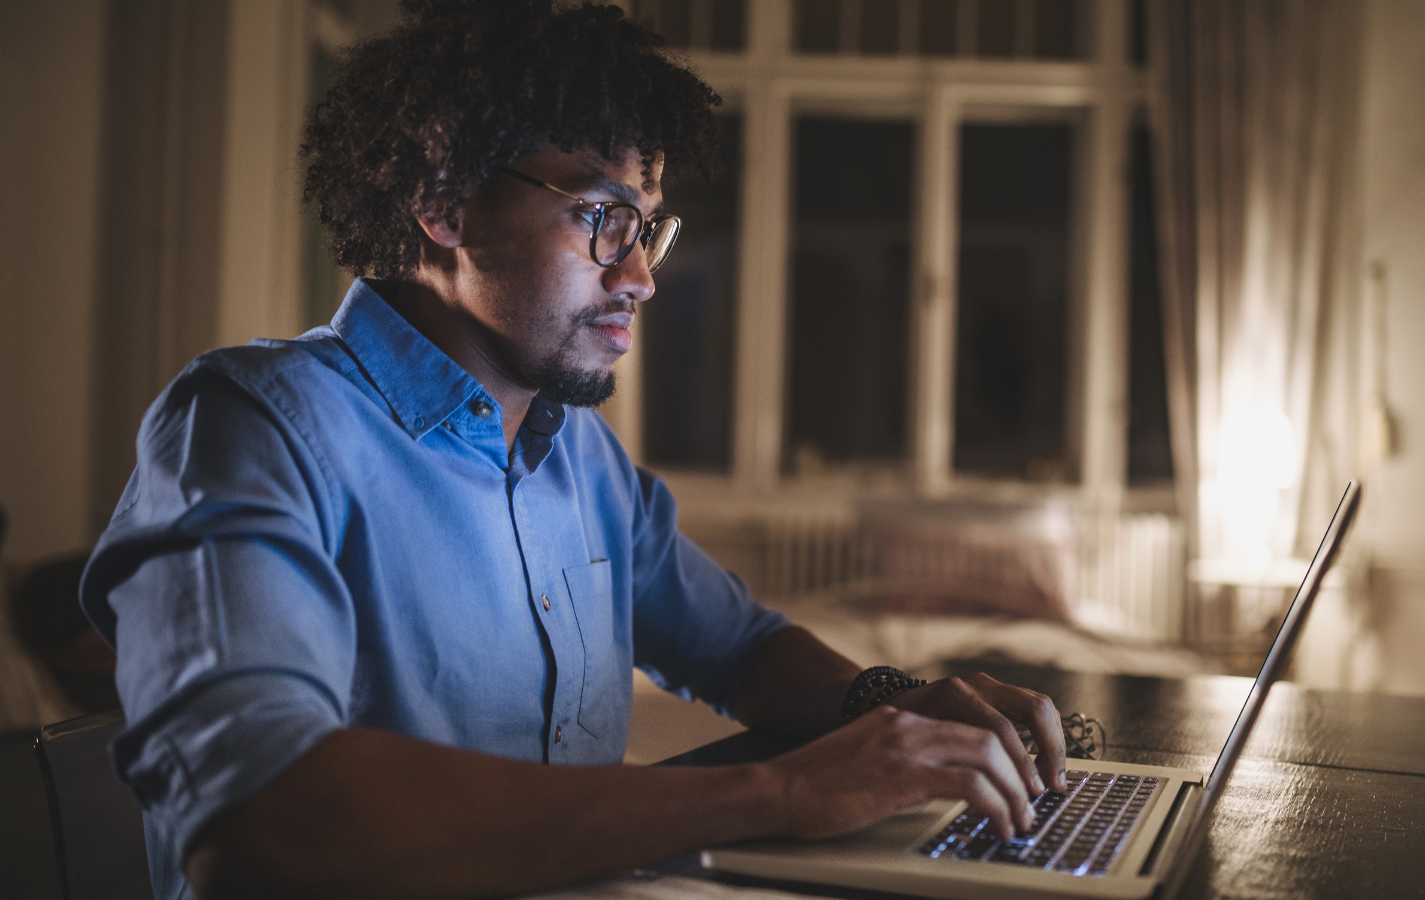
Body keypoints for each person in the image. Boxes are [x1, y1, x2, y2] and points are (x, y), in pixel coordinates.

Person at [81, 2, 1068, 898]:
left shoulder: (582, 458)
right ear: (444, 203)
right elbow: (264, 821)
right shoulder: (255, 425)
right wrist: (775, 793)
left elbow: (739, 646)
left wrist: (891, 704)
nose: (640, 276)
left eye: (647, 227)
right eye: (602, 218)